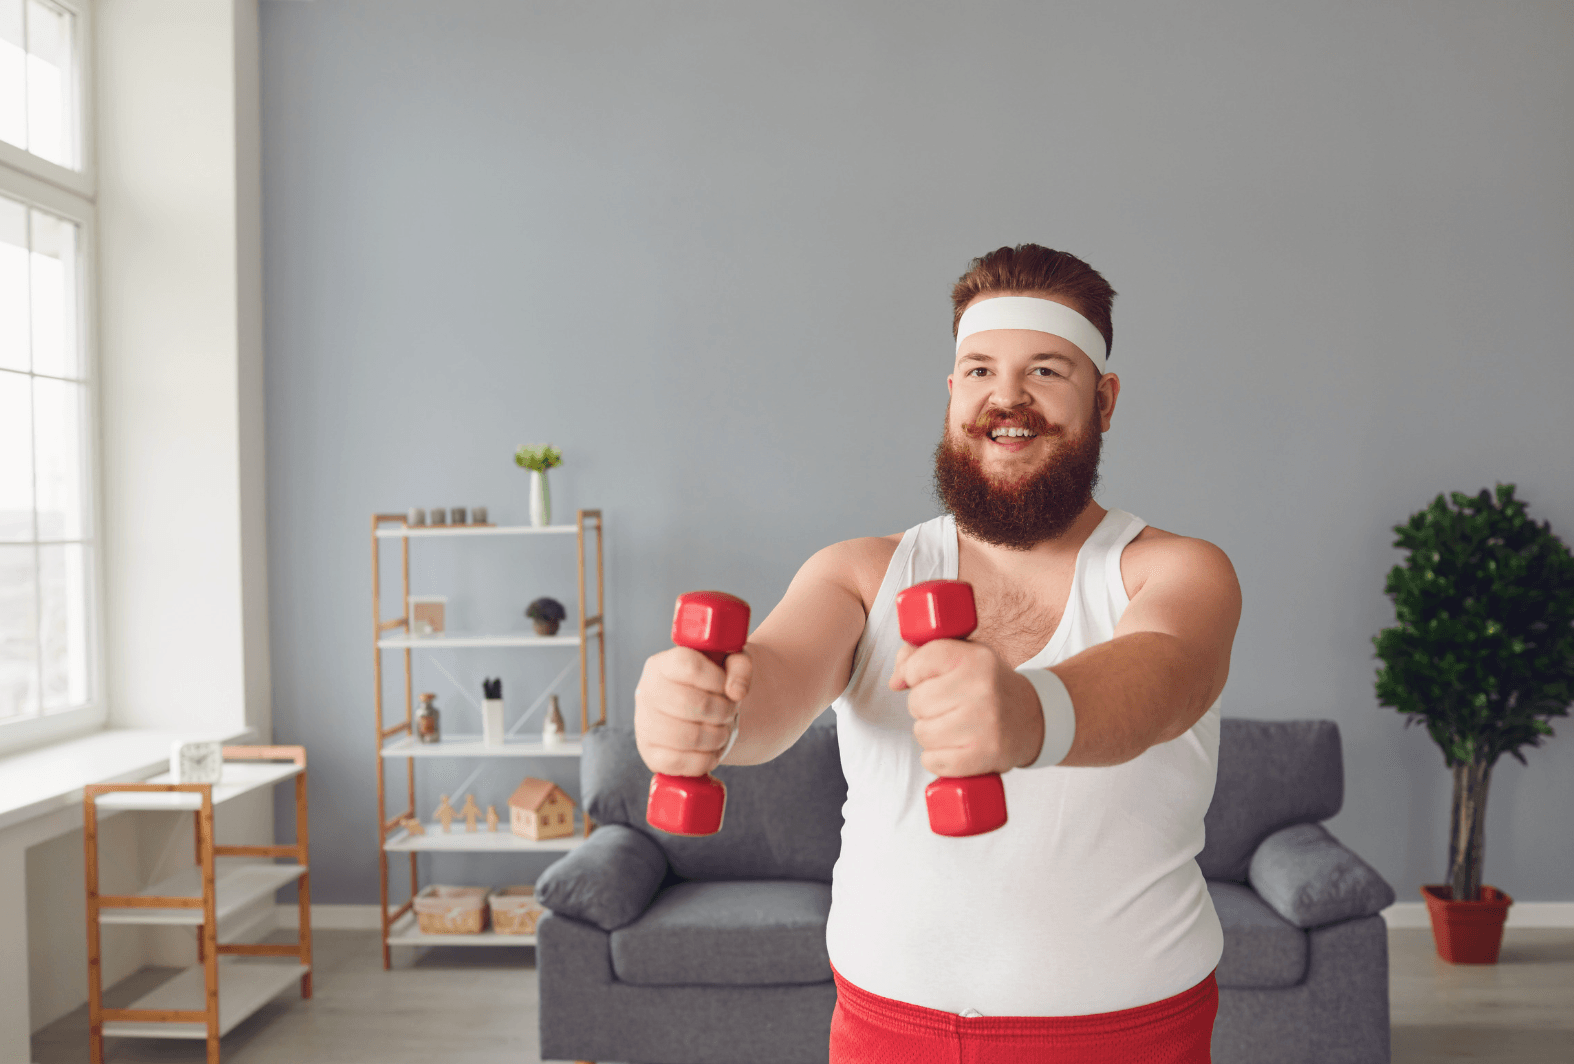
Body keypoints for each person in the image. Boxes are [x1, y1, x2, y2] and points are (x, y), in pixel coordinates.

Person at [634, 244, 1242, 1063]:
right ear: (952, 393)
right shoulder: (858, 572)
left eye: (1047, 371)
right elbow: (770, 684)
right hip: (885, 1033)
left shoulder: (1176, 570)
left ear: (1104, 400)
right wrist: (704, 712)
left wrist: (1031, 713)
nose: (1007, 397)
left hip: (1124, 1038)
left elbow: (1165, 673)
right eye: (981, 368)